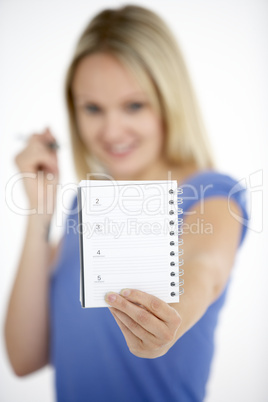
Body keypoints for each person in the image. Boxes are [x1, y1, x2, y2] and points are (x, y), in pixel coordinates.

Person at [4, 5, 248, 402]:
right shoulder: (83, 207)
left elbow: (206, 268)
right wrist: (38, 214)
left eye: (134, 105)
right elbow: (24, 358)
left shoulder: (211, 193)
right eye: (92, 108)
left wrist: (173, 319)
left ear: (169, 100)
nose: (111, 130)